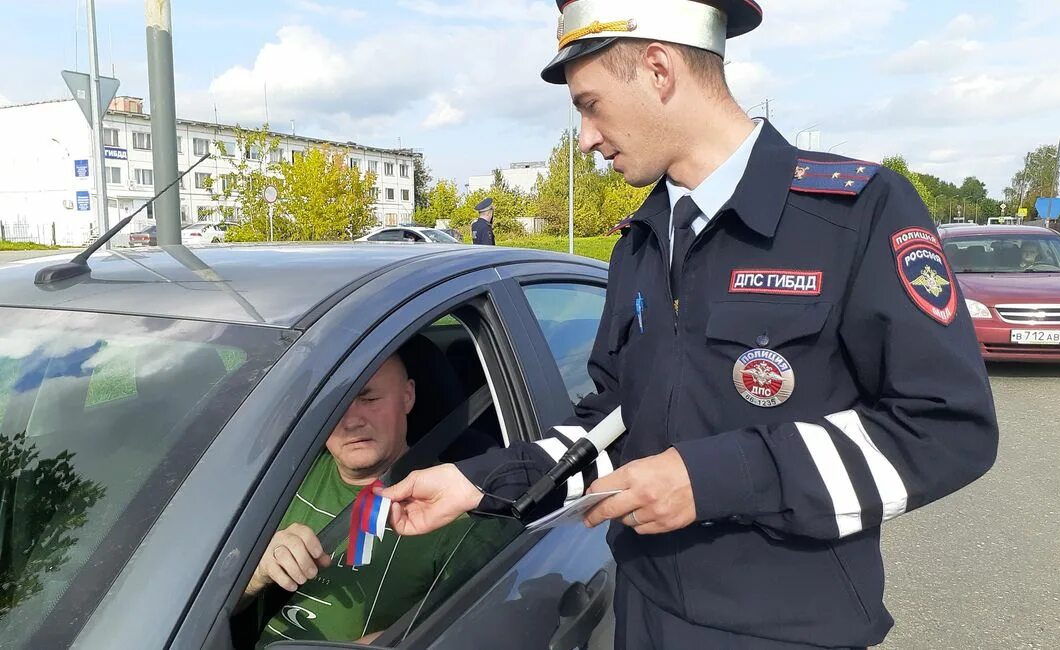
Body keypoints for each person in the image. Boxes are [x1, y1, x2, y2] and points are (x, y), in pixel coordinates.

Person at [380, 1, 998, 649]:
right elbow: (613, 422)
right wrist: (478, 481)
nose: (586, 138)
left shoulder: (855, 212)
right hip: (642, 610)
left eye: (589, 104)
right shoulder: (639, 242)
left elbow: (944, 427)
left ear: (657, 69)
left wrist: (711, 479)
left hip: (787, 630)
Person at [238, 353, 507, 647]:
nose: (351, 421)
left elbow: (477, 626)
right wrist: (255, 573)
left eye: (369, 399)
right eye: (335, 405)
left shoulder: (454, 514)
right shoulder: (281, 476)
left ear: (407, 396)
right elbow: (210, 604)